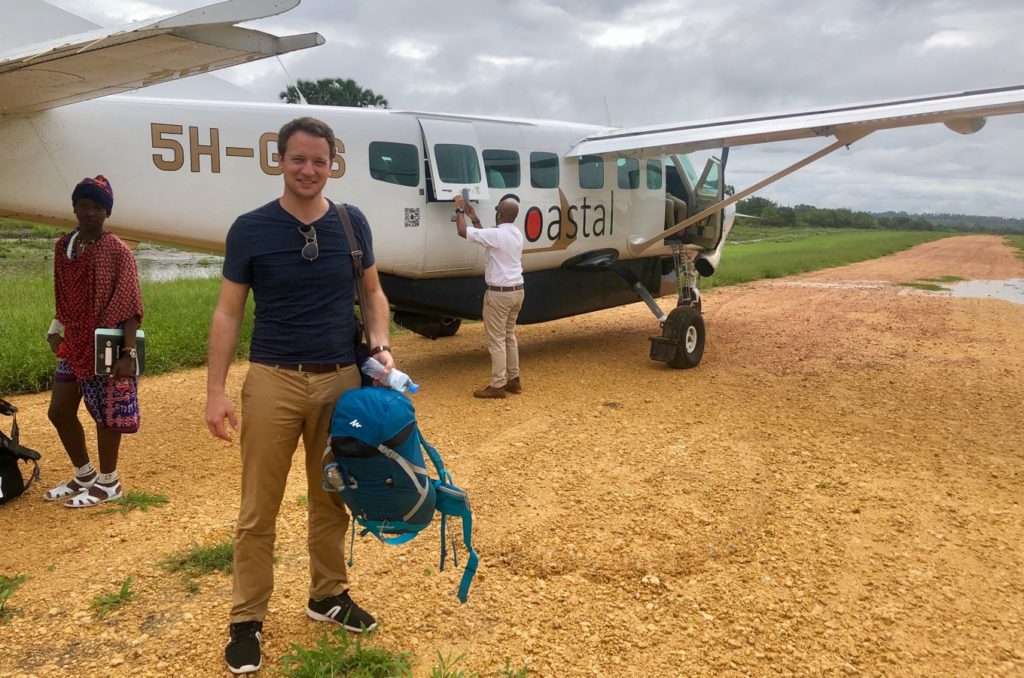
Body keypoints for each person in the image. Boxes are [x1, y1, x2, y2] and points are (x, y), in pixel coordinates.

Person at [205, 116, 394, 675]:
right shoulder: (251, 228)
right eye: (298, 159)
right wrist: (216, 391)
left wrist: (380, 345)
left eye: (319, 160)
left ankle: (326, 596)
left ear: (333, 163)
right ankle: (246, 619)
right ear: (279, 161)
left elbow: (374, 291)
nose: (308, 169)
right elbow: (228, 311)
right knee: (257, 508)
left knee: (333, 494)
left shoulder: (351, 222)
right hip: (273, 378)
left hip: (341, 379)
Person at [43, 176, 143, 509]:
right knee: (59, 411)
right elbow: (64, 295)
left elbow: (130, 303)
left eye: (97, 207)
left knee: (105, 415)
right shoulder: (63, 247)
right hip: (73, 341)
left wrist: (128, 353)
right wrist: (55, 328)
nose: (89, 212)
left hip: (107, 342)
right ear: (74, 208)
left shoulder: (117, 251)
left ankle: (108, 482)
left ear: (107, 212)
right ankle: (84, 474)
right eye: (84, 205)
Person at [453, 193, 525, 399]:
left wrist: (459, 209)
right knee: (509, 335)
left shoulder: (497, 234)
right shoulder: (514, 233)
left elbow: (461, 231)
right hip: (517, 291)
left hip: (499, 295)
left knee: (496, 340)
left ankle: (497, 385)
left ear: (500, 214)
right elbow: (486, 236)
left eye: (497, 209)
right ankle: (514, 379)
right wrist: (474, 218)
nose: (495, 212)